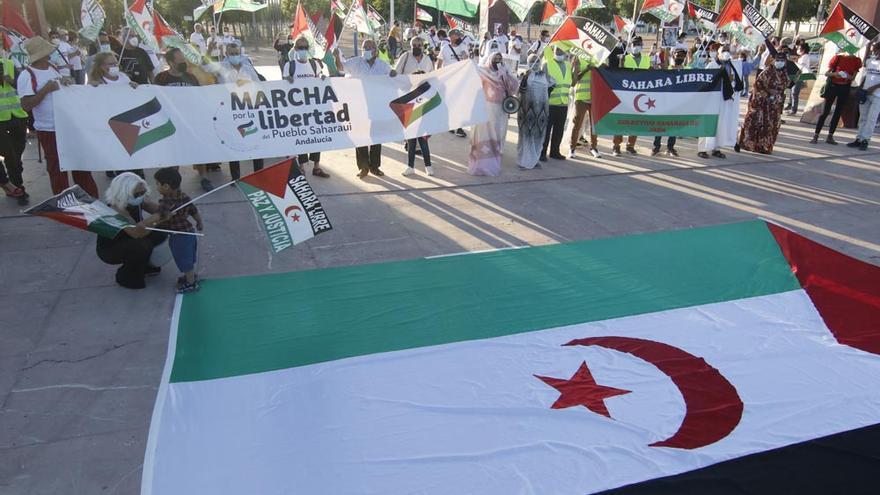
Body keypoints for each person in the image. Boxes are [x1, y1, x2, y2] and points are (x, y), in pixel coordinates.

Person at [18, 36, 98, 196]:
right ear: (43, 55)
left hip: (68, 125)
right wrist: (46, 90)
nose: (52, 54)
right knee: (57, 167)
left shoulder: (53, 68)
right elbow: (26, 105)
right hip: (49, 129)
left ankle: (89, 197)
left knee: (80, 163)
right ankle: (64, 201)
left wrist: (66, 82)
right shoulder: (27, 75)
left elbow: (61, 87)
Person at [154, 48, 216, 192]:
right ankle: (173, 182)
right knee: (175, 153)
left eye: (184, 60)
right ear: (170, 62)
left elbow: (199, 97)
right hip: (171, 122)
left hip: (191, 121)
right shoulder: (161, 78)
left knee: (199, 150)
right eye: (180, 61)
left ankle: (204, 178)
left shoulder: (191, 77)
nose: (183, 63)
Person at [96, 173, 167, 289]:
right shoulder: (115, 208)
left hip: (129, 238)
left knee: (161, 230)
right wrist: (160, 217)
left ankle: (145, 265)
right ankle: (126, 276)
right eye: (137, 194)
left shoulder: (135, 199)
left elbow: (156, 209)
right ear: (124, 193)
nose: (140, 196)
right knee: (142, 245)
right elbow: (136, 233)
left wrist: (168, 208)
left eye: (143, 192)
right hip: (110, 249)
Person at [338, 39, 396, 178]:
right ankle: (363, 167)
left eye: (370, 47)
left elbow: (392, 76)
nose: (367, 50)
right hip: (359, 106)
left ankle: (375, 166)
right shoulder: (356, 62)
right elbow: (341, 68)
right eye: (365, 47)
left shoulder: (382, 65)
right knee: (360, 137)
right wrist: (336, 56)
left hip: (376, 107)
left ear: (376, 50)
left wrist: (393, 74)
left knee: (376, 138)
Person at [283, 35, 332, 178]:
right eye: (300, 47)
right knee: (302, 136)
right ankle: (302, 166)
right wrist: (287, 79)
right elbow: (283, 82)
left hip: (314, 108)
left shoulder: (314, 64)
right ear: (295, 49)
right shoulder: (290, 65)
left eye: (305, 47)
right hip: (298, 110)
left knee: (317, 136)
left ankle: (316, 166)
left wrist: (322, 78)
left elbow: (320, 77)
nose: (303, 50)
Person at [215, 41, 264, 180]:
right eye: (231, 54)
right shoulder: (221, 68)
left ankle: (258, 175)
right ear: (226, 54)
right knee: (233, 143)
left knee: (254, 142)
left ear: (240, 54)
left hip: (248, 109)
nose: (234, 56)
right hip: (230, 110)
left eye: (237, 54)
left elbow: (258, 84)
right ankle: (235, 178)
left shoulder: (248, 68)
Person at [468, 47, 517, 176]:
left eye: (500, 59)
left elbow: (513, 87)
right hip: (487, 108)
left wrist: (505, 75)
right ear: (490, 60)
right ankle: (484, 161)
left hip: (501, 109)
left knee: (498, 133)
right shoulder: (483, 72)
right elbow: (472, 76)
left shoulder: (505, 71)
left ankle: (495, 157)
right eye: (495, 59)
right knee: (486, 135)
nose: (498, 61)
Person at [154, 167, 203, 293]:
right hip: (190, 232)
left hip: (178, 235)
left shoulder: (165, 202)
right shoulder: (184, 196)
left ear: (166, 186)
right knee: (188, 256)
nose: (156, 187)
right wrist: (199, 221)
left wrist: (154, 223)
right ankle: (190, 276)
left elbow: (160, 217)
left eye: (157, 184)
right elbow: (193, 210)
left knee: (183, 258)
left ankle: (191, 283)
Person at [396, 37, 435, 176]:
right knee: (411, 136)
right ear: (410, 45)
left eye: (419, 45)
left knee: (423, 136)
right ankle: (410, 166)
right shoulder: (405, 57)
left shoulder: (427, 60)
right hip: (408, 100)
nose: (416, 47)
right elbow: (396, 75)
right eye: (414, 45)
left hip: (423, 100)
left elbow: (432, 77)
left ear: (423, 46)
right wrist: (410, 78)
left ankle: (428, 166)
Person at [738, 53, 790, 154]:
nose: (780, 63)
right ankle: (750, 144)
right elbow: (757, 86)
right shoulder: (767, 72)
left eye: (782, 61)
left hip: (775, 105)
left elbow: (784, 86)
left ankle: (765, 146)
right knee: (757, 123)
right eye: (778, 60)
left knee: (771, 126)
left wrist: (792, 82)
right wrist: (767, 94)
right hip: (763, 103)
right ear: (774, 61)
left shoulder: (784, 74)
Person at [697, 44, 742, 159]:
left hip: (725, 100)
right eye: (723, 50)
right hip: (713, 99)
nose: (726, 52)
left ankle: (716, 148)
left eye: (728, 50)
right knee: (708, 123)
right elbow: (705, 81)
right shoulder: (712, 65)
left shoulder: (732, 66)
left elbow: (736, 82)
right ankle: (702, 149)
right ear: (718, 53)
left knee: (721, 124)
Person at [810, 50, 862, 145]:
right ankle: (816, 135)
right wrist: (835, 74)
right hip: (833, 85)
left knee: (838, 112)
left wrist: (848, 76)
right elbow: (827, 73)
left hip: (845, 87)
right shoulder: (838, 57)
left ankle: (830, 136)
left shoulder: (857, 60)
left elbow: (853, 77)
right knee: (825, 111)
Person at [0, 49, 29, 205]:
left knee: (17, 154)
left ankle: (14, 182)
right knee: (9, 154)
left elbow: (23, 87)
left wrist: (11, 81)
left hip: (18, 115)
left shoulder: (10, 64)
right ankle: (18, 187)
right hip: (0, 119)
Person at [614, 37, 649, 156]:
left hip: (640, 95)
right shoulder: (625, 57)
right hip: (626, 94)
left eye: (639, 44)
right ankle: (616, 146)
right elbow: (619, 74)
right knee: (621, 121)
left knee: (636, 122)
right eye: (634, 44)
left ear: (642, 45)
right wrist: (621, 63)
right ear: (630, 45)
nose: (636, 46)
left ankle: (630, 145)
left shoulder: (646, 59)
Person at [518, 54, 555, 169]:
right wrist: (525, 78)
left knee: (538, 135)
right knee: (526, 136)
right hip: (527, 111)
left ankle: (534, 159)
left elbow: (550, 88)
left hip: (541, 112)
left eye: (537, 60)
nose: (536, 62)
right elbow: (521, 90)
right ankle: (524, 161)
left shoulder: (544, 75)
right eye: (533, 60)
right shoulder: (524, 75)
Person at [652, 49, 687, 157]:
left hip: (678, 103)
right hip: (665, 102)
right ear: (673, 56)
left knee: (674, 125)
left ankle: (670, 147)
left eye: (682, 56)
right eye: (677, 55)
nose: (679, 58)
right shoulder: (668, 69)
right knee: (660, 125)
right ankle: (656, 147)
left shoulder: (687, 71)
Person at [848, 42, 880, 151]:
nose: (873, 52)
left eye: (874, 49)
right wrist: (861, 87)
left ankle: (865, 140)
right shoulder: (871, 61)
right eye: (872, 50)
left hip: (877, 96)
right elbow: (866, 76)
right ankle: (859, 138)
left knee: (871, 119)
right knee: (863, 117)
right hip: (865, 93)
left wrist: (874, 88)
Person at [541, 46, 571, 161]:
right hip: (550, 103)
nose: (559, 52)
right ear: (553, 51)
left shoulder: (568, 65)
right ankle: (542, 152)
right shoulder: (547, 64)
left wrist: (577, 68)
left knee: (559, 129)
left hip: (563, 103)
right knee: (546, 130)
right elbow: (542, 82)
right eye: (557, 50)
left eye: (561, 50)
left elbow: (570, 82)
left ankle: (555, 151)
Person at [438, 29, 469, 138]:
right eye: (457, 36)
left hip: (460, 79)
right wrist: (438, 76)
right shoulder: (445, 48)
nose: (459, 37)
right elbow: (439, 62)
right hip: (448, 80)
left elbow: (466, 61)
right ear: (451, 37)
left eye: (459, 36)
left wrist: (463, 51)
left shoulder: (463, 47)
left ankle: (459, 127)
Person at [568, 56, 599, 159]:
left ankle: (594, 148)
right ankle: (572, 148)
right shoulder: (578, 59)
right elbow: (574, 80)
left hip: (594, 97)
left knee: (594, 125)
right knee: (577, 123)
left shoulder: (598, 59)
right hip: (581, 97)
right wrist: (586, 69)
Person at [786, 44, 811, 116]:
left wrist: (794, 61)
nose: (798, 50)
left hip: (800, 76)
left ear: (803, 49)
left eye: (799, 48)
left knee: (794, 93)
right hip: (797, 76)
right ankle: (792, 108)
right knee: (792, 92)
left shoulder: (805, 56)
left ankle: (794, 110)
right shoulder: (802, 56)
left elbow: (801, 66)